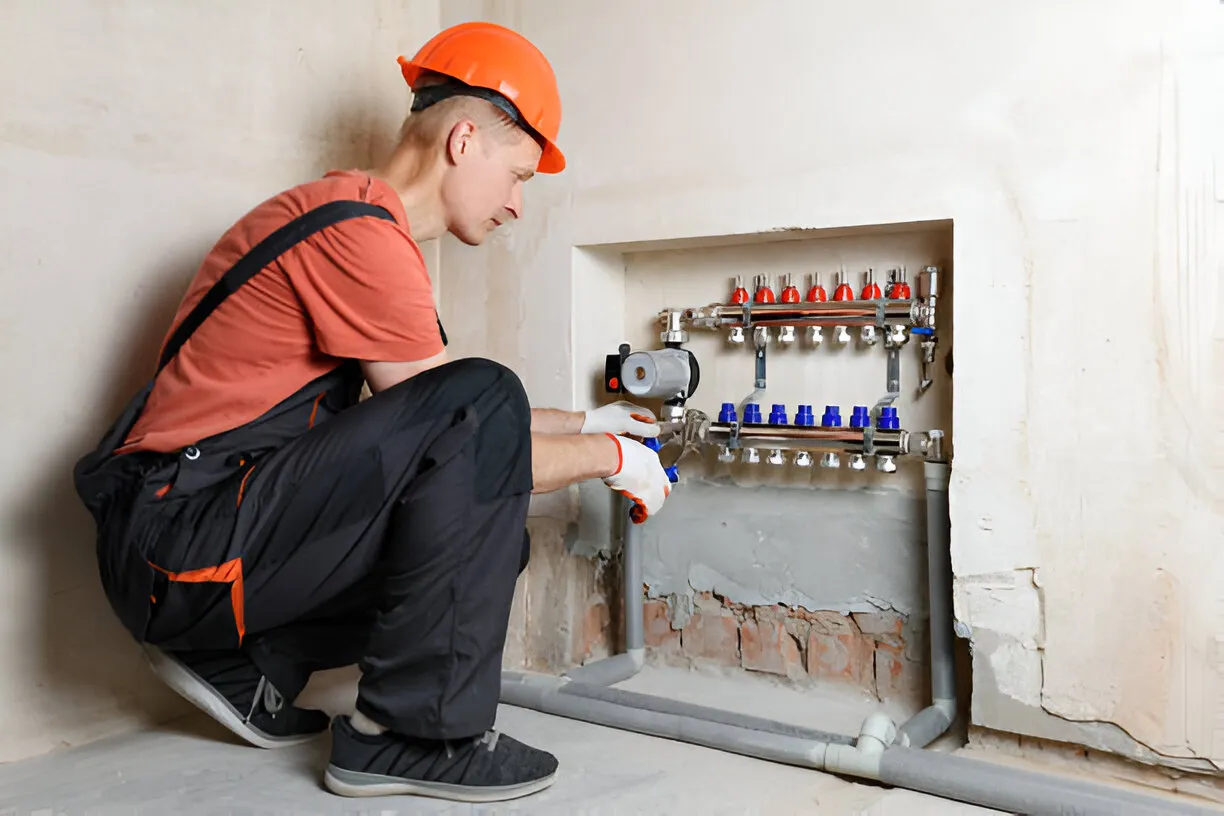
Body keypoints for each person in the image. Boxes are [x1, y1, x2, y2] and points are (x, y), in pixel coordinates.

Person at [72, 21, 673, 803]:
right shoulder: (356, 234)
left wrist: (596, 426)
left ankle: (248, 664)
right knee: (478, 407)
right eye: (518, 175)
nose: (518, 206)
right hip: (176, 543)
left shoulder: (351, 221)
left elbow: (455, 430)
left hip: (191, 538)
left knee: (489, 544)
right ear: (464, 141)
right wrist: (615, 463)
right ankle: (409, 737)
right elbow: (469, 421)